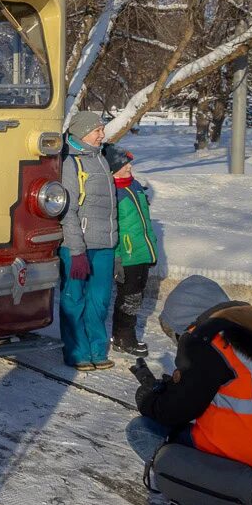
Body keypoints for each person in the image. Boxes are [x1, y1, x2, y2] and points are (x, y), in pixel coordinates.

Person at [136, 275, 252, 501]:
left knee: (142, 430)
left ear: (188, 321)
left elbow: (173, 412)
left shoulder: (211, 342)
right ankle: (250, 500)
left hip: (247, 474)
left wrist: (149, 400)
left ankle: (213, 503)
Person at [58, 111, 117, 371]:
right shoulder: (70, 163)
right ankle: (77, 352)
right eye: (97, 130)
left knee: (100, 300)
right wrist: (76, 250)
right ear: (82, 133)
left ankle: (97, 349)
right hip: (77, 247)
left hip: (104, 245)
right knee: (74, 299)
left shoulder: (101, 160)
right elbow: (67, 210)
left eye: (102, 129)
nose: (102, 134)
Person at [106, 144, 155, 356]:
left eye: (129, 163)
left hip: (141, 250)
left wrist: (151, 247)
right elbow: (111, 229)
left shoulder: (133, 185)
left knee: (137, 296)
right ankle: (124, 338)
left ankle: (123, 335)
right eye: (125, 165)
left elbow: (144, 221)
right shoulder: (111, 192)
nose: (129, 168)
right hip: (127, 255)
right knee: (129, 298)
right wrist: (117, 258)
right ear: (113, 169)